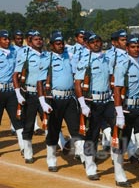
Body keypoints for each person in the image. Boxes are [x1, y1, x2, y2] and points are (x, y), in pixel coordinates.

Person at [36, 33, 84, 172]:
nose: (61, 45)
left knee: (76, 129)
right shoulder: (46, 59)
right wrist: (43, 102)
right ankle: (51, 159)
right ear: (51, 45)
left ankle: (84, 156)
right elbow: (40, 82)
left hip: (69, 99)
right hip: (54, 100)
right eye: (57, 43)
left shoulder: (69, 58)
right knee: (54, 130)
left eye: (62, 43)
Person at [113, 34, 139, 187]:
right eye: (132, 47)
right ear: (127, 47)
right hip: (125, 107)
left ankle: (136, 154)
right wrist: (119, 113)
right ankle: (119, 174)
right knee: (121, 142)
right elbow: (117, 90)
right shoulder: (122, 63)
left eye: (138, 46)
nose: (136, 49)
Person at [74, 33, 114, 180]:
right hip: (93, 102)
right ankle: (90, 166)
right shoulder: (85, 61)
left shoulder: (107, 59)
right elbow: (77, 83)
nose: (96, 44)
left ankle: (118, 160)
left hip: (108, 101)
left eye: (98, 41)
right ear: (88, 45)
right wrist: (83, 104)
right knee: (92, 135)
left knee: (118, 127)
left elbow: (111, 79)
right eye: (93, 42)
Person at [12, 30, 45, 163]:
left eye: (40, 39)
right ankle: (28, 152)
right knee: (29, 124)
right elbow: (16, 75)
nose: (39, 41)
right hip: (30, 94)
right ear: (30, 42)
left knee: (51, 122)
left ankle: (60, 145)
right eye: (35, 39)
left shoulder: (47, 55)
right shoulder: (25, 56)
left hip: (44, 95)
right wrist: (18, 93)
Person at [0, 29, 24, 155]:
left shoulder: (14, 52)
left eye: (8, 39)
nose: (7, 41)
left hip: (11, 91)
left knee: (17, 119)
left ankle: (23, 147)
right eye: (4, 39)